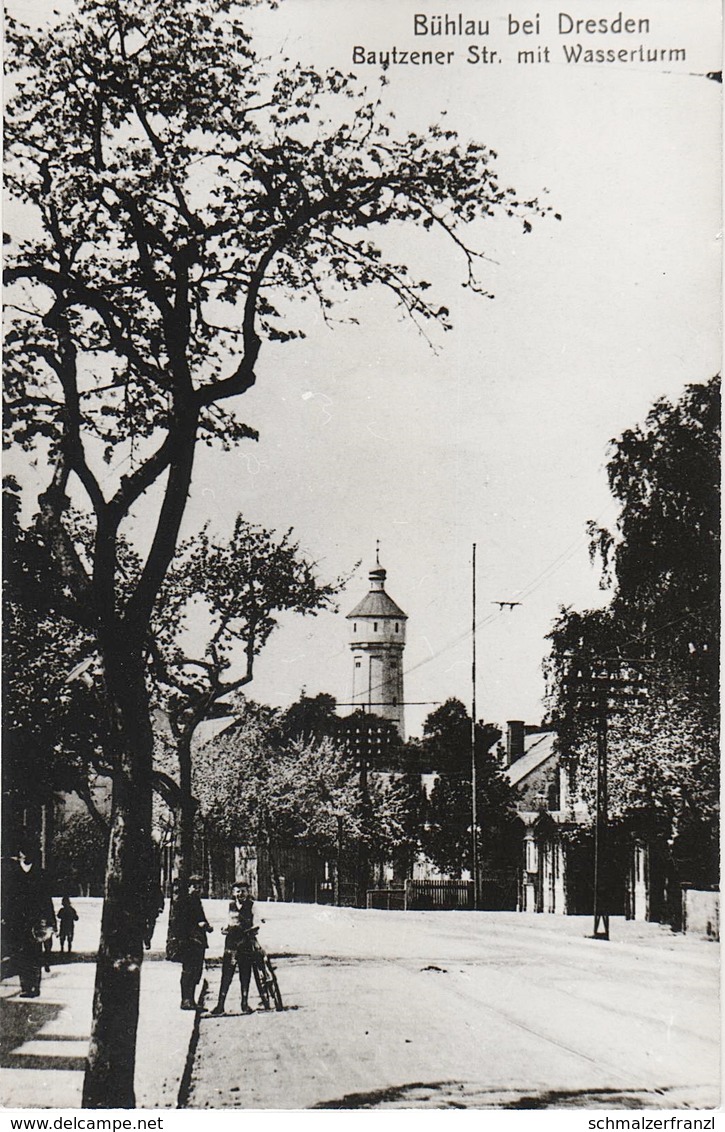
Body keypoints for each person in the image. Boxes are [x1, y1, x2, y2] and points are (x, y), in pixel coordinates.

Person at [210, 880, 267, 1016]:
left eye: (243, 891)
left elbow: (257, 922)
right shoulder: (229, 906)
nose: (241, 894)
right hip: (231, 943)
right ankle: (220, 1005)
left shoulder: (252, 906)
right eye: (238, 891)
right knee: (227, 973)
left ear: (248, 892)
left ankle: (244, 1003)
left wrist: (253, 929)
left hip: (246, 942)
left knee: (245, 973)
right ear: (233, 893)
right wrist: (224, 929)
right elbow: (225, 922)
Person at [7, 847, 57, 998]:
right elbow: (7, 898)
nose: (25, 855)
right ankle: (25, 987)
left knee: (35, 954)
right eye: (23, 852)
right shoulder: (13, 874)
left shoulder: (40, 874)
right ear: (20, 855)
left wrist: (51, 921)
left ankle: (35, 986)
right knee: (20, 955)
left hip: (36, 921)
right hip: (18, 921)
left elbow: (47, 900)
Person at [174, 876, 213, 1010]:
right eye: (194, 886)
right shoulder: (183, 901)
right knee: (189, 971)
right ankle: (186, 1000)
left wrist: (207, 926)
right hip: (189, 941)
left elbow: (201, 918)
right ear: (189, 887)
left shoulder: (196, 901)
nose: (197, 889)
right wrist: (197, 925)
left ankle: (191, 1000)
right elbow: (180, 922)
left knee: (196, 971)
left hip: (198, 941)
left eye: (199, 887)